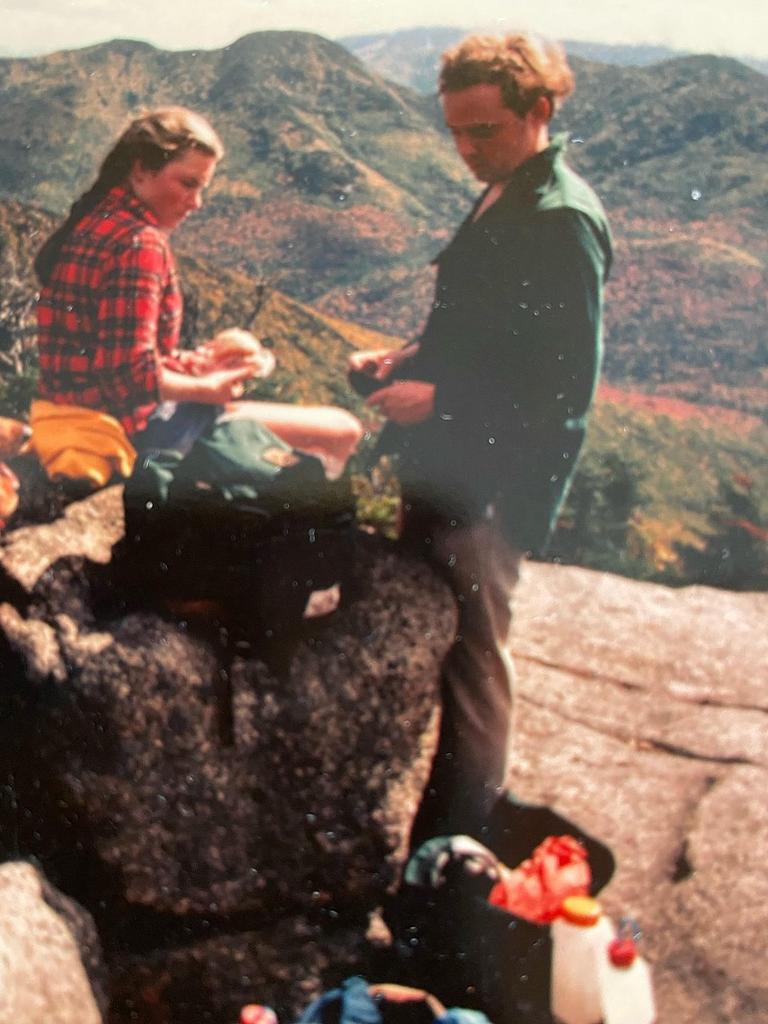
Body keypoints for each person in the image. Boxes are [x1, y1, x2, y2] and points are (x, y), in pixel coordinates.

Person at [349, 33, 613, 840]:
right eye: (456, 131)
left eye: (484, 131)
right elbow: (485, 330)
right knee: (441, 644)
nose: (465, 149)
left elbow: (561, 386)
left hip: (492, 483)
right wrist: (406, 358)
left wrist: (442, 399)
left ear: (540, 111)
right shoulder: (506, 186)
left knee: (473, 667)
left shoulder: (560, 218)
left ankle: (455, 856)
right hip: (448, 462)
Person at [34, 106, 361, 479]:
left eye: (201, 188)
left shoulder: (97, 222)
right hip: (128, 429)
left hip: (72, 414)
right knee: (340, 431)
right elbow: (129, 378)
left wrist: (193, 366)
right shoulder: (140, 244)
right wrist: (209, 388)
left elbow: (113, 356)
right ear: (141, 170)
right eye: (188, 184)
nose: (197, 203)